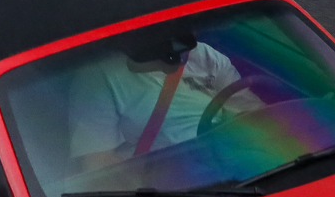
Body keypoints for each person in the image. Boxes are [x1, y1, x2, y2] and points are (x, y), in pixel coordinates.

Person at [66, 26, 254, 174]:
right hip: (170, 180)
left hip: (235, 159)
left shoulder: (206, 56)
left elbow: (253, 114)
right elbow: (97, 164)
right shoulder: (99, 75)